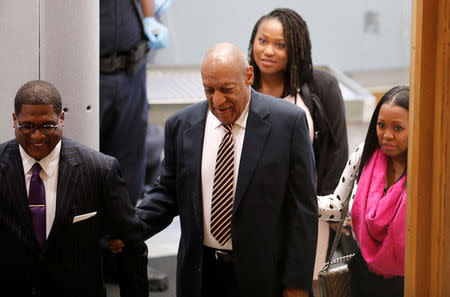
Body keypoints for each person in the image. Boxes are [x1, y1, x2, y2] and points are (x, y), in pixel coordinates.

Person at [112, 43, 317, 297]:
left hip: (262, 276)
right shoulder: (181, 125)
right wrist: (130, 227)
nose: (217, 100)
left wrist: (297, 282)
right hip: (200, 275)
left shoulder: (288, 123)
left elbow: (303, 210)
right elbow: (167, 193)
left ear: (249, 76)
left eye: (226, 89)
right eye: (209, 90)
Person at [0, 80, 148, 297]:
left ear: (61, 118)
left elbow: (131, 248)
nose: (38, 136)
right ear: (15, 120)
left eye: (48, 126)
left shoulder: (99, 170)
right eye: (27, 126)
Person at [248, 7, 350, 288]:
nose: (268, 51)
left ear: (297, 48)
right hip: (253, 212)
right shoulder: (242, 87)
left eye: (280, 45)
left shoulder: (322, 86)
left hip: (308, 212)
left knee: (303, 285)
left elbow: (337, 150)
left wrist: (328, 212)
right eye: (262, 40)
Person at [100, 0, 169, 283]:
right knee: (81, 169)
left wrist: (150, 19)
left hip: (132, 68)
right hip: (88, 70)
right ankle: (85, 263)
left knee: (128, 172)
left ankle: (122, 261)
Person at [318, 86, 409, 297]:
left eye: (398, 128)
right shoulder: (364, 155)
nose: (387, 135)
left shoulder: (426, 170)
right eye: (381, 125)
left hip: (410, 276)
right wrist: (302, 202)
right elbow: (339, 206)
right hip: (364, 274)